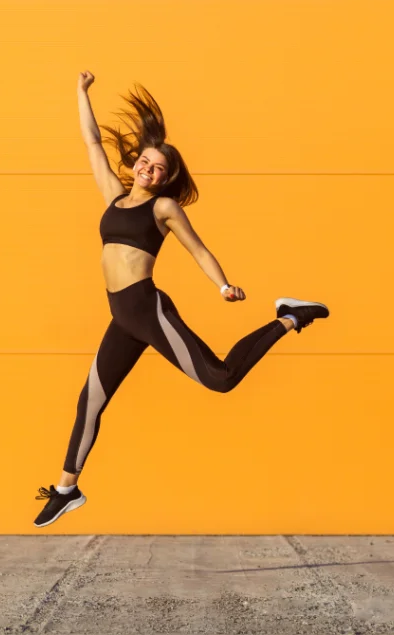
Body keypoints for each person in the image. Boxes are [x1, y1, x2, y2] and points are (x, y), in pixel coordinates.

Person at [33, 71, 330, 527]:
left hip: (146, 308)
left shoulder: (163, 208)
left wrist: (222, 285)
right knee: (90, 399)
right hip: (122, 317)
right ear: (135, 163)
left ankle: (288, 317)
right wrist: (79, 93)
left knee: (221, 378)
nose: (149, 171)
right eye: (145, 163)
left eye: (159, 170)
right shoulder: (114, 197)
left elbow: (199, 249)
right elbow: (93, 144)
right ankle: (65, 489)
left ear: (167, 179)